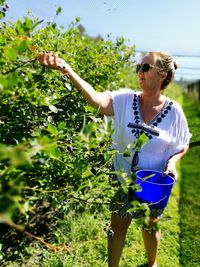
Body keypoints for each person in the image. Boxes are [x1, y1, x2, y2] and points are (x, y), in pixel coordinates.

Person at [37, 51, 191, 267]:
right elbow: (96, 99)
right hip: (122, 177)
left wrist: (172, 162)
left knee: (149, 225)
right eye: (139, 67)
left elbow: (182, 144)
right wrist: (68, 70)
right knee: (117, 226)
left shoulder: (174, 112)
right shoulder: (125, 100)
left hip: (153, 183)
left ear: (162, 74)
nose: (140, 71)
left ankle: (152, 263)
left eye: (146, 68)